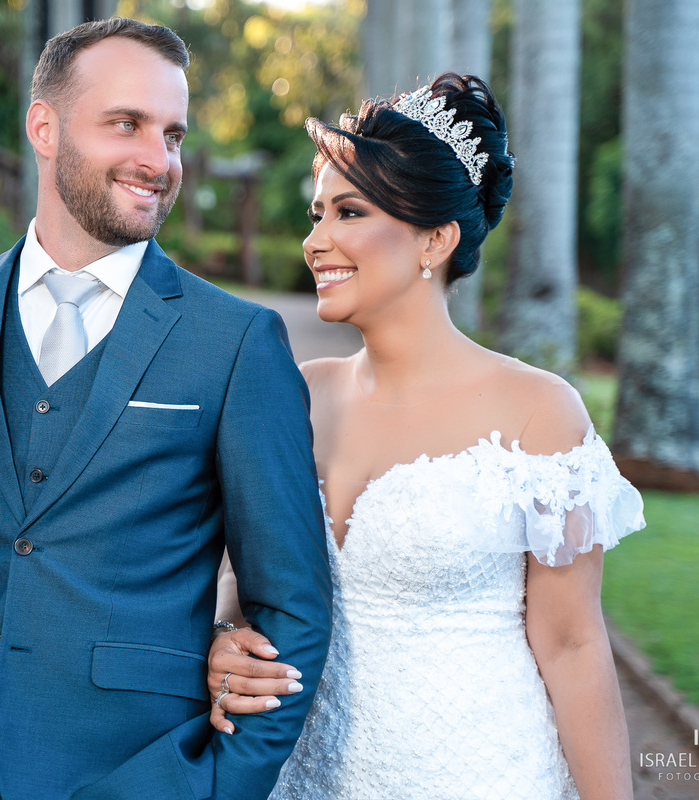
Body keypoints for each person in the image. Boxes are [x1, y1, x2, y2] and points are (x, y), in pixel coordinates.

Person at [0, 18, 332, 800]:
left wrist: (219, 787)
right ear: (45, 125)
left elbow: (293, 606)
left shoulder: (236, 341)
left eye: (172, 134)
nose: (158, 160)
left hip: (139, 772)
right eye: (126, 124)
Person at [206, 73, 645, 800]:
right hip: (303, 776)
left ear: (434, 240)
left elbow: (572, 645)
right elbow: (238, 576)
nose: (316, 241)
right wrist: (225, 638)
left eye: (348, 212)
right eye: (317, 214)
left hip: (482, 773)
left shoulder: (539, 411)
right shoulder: (295, 395)